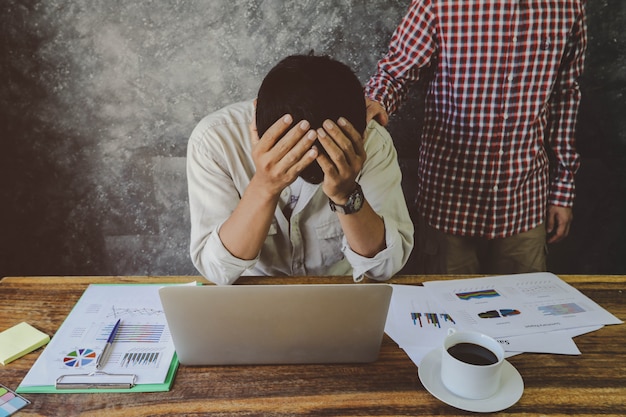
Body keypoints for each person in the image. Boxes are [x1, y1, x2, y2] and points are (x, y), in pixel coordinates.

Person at [364, 1, 587, 274]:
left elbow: (566, 95)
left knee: (526, 310)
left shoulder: (569, 6)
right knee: (447, 310)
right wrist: (374, 103)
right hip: (449, 199)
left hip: (524, 201)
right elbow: (395, 72)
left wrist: (563, 190)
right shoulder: (438, 4)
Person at [187, 54, 414, 285]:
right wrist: (265, 185)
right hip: (252, 294)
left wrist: (346, 195)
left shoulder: (370, 142)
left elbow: (385, 267)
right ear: (255, 118)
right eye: (290, 151)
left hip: (339, 292)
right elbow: (216, 270)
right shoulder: (215, 140)